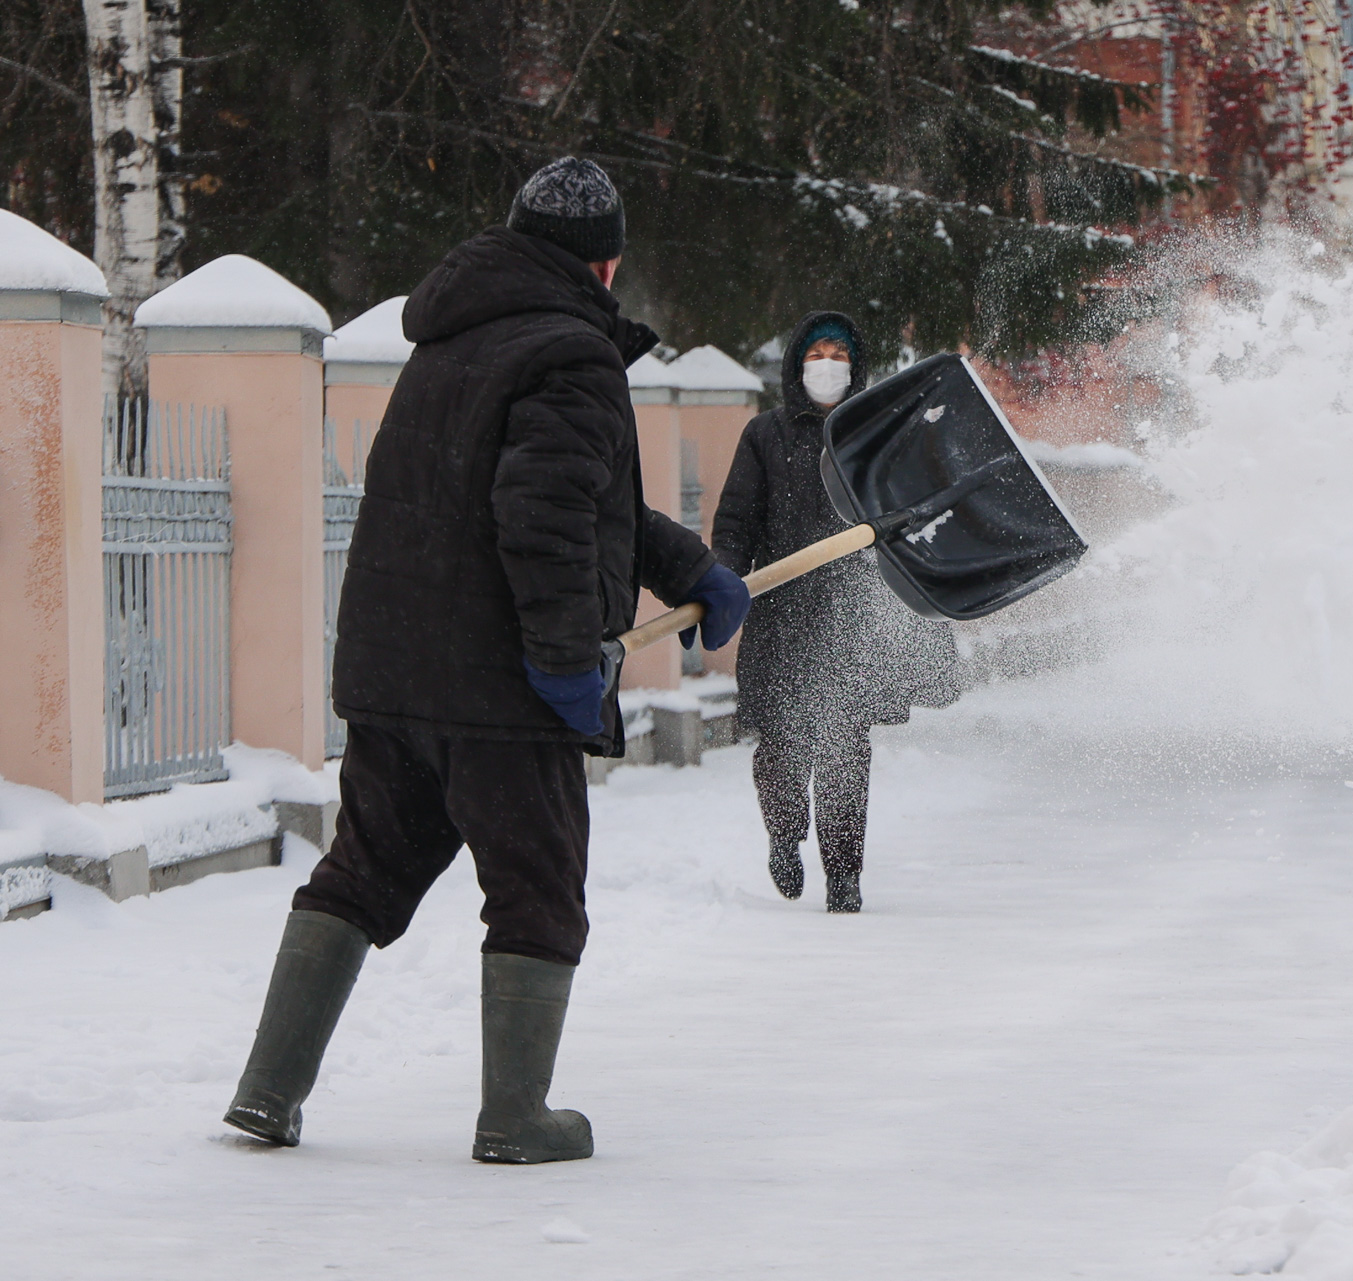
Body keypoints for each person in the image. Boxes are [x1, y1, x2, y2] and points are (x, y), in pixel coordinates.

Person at [221, 157, 751, 1164]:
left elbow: (566, 496)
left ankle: (266, 1089)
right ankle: (515, 1116)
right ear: (606, 266)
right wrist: (559, 662)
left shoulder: (452, 343)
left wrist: (688, 566)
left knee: (362, 872)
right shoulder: (574, 356)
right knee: (537, 890)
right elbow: (544, 516)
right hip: (501, 692)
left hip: (395, 677)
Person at [711, 313, 959, 913]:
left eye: (839, 354)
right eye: (817, 353)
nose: (828, 364)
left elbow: (908, 514)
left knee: (845, 745)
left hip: (850, 618)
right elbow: (737, 519)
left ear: (855, 367)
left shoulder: (870, 434)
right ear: (798, 364)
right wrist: (722, 577)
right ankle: (783, 832)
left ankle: (844, 876)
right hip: (779, 612)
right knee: (781, 742)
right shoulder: (763, 435)